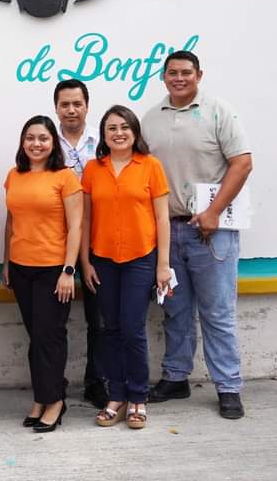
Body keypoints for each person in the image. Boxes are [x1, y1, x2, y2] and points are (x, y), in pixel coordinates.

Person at [142, 50, 253, 420]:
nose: (179, 78)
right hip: (168, 230)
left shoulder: (219, 111)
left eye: (186, 73)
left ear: (199, 75)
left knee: (217, 312)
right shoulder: (150, 120)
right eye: (172, 73)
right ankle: (176, 377)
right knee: (174, 310)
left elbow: (242, 162)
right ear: (163, 76)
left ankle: (228, 387)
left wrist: (214, 211)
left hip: (210, 230)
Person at [80, 105, 171, 430]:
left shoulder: (150, 166)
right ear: (103, 136)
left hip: (140, 258)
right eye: (111, 129)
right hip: (103, 259)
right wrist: (85, 260)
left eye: (124, 128)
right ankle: (115, 396)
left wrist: (163, 265)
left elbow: (162, 217)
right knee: (110, 330)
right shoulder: (93, 169)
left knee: (133, 330)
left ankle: (138, 398)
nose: (118, 133)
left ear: (134, 132)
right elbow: (86, 217)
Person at [2, 115, 82, 433]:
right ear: (23, 142)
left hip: (53, 270)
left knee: (50, 338)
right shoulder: (14, 175)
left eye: (43, 138)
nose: (36, 143)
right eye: (30, 137)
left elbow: (76, 225)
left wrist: (68, 270)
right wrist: (7, 262)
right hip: (22, 269)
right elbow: (11, 222)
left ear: (53, 144)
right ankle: (42, 396)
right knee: (37, 338)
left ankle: (55, 401)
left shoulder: (65, 177)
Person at [53, 79, 108, 409]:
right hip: (55, 241)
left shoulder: (102, 143)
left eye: (77, 104)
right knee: (53, 321)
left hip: (96, 240)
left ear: (87, 106)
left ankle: (95, 380)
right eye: (64, 104)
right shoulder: (46, 141)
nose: (71, 110)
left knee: (98, 318)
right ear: (56, 107)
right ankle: (53, 381)